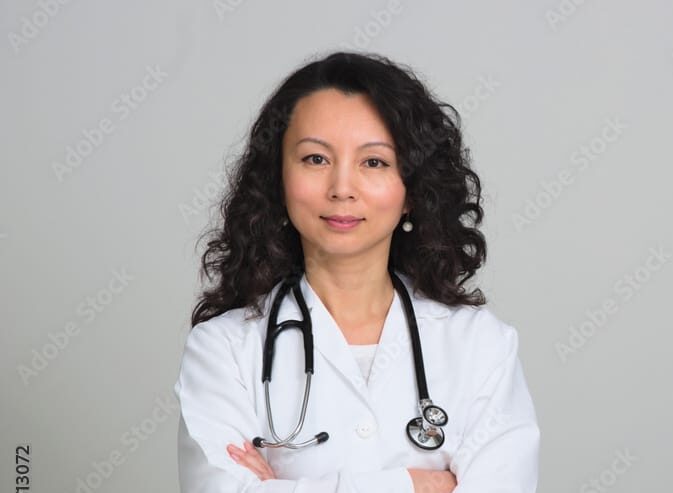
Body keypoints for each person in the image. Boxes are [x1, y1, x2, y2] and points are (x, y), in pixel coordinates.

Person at [173, 51, 540, 493]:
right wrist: (417, 485)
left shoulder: (480, 345)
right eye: (315, 159)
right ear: (278, 180)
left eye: (374, 162)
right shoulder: (224, 349)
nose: (342, 188)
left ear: (412, 190)